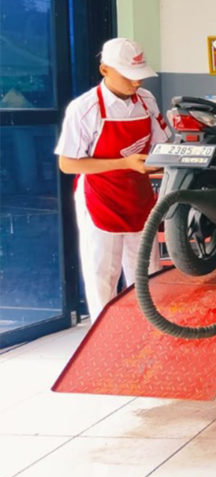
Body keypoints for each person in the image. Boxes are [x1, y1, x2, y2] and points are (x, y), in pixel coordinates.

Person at [54, 38, 171, 322]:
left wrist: (166, 161)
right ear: (105, 70)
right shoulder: (85, 109)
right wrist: (124, 163)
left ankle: (146, 331)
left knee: (147, 274)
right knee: (103, 276)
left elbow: (161, 144)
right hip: (100, 198)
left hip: (138, 196)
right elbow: (68, 164)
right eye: (128, 76)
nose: (136, 83)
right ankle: (104, 336)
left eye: (139, 76)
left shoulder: (146, 101)